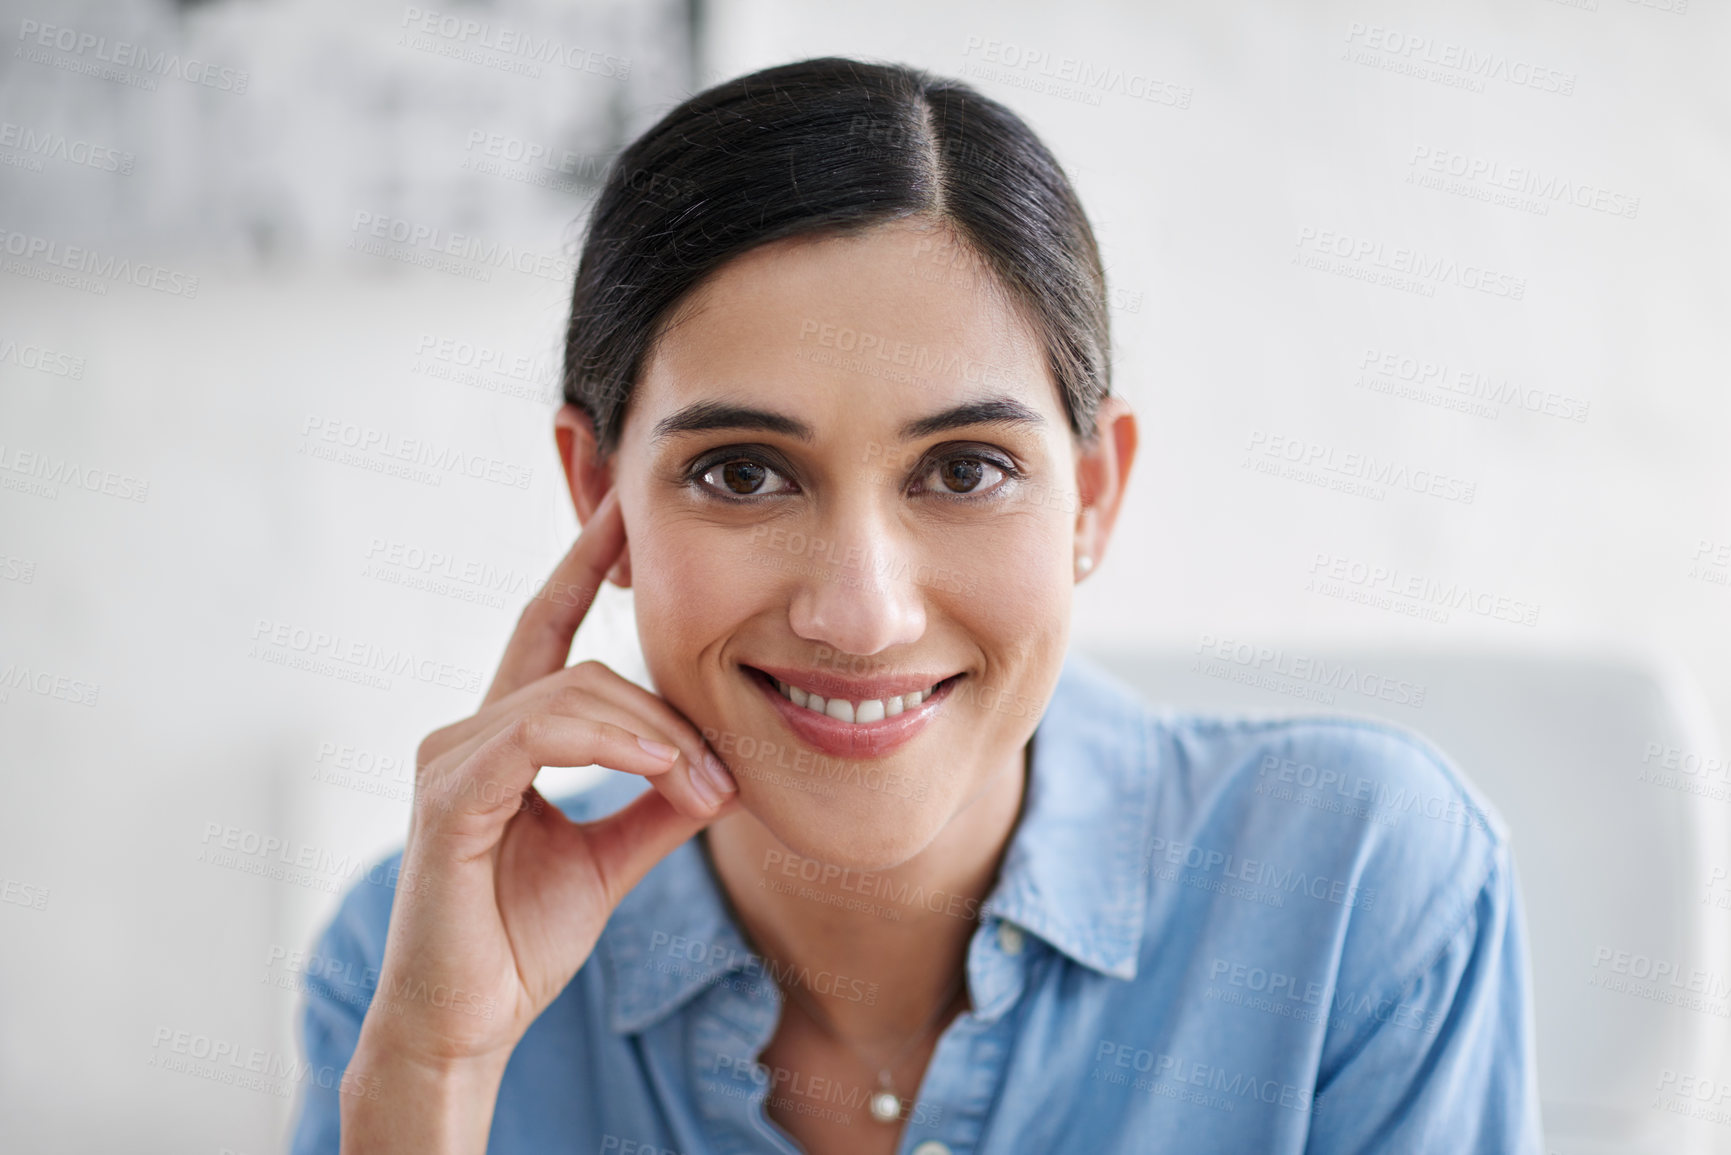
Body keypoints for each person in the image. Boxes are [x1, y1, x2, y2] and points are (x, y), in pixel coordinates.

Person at [288, 57, 1543, 1154]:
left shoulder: (1354, 884)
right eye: (742, 473)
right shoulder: (412, 958)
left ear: (1092, 495)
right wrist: (432, 1075)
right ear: (596, 489)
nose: (863, 613)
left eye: (964, 471)